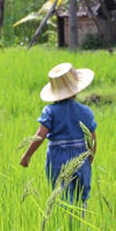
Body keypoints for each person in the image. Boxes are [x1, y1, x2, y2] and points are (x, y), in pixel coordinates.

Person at [20, 63, 97, 204]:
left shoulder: (50, 111)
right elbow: (92, 140)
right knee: (82, 198)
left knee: (62, 197)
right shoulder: (86, 111)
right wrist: (89, 158)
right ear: (75, 90)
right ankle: (81, 224)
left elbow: (40, 136)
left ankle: (66, 223)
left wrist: (27, 156)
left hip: (58, 158)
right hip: (82, 158)